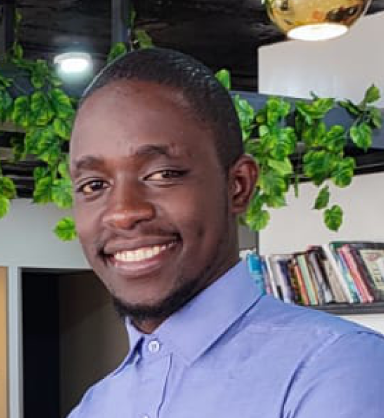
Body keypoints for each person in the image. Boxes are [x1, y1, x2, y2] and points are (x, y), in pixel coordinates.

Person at [68, 47, 384, 418]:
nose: (122, 213)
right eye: (93, 185)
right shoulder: (95, 406)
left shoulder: (337, 368)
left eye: (163, 174)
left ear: (238, 186)